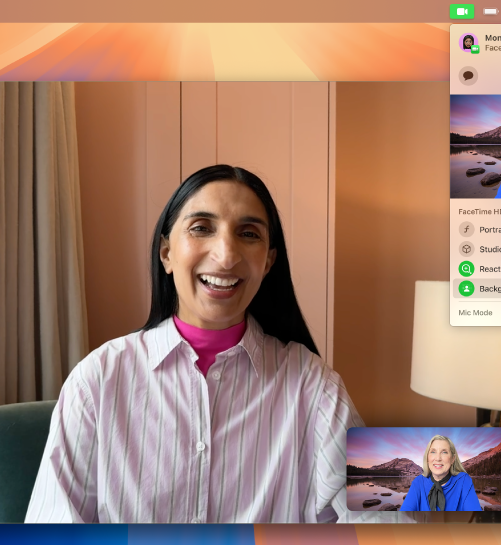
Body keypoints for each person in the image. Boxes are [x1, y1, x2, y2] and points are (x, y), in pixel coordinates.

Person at [25, 165, 372, 523]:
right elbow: (48, 539)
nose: (226, 255)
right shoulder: (95, 378)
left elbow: (391, 518)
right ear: (166, 253)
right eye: (201, 228)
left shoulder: (317, 382)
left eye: (249, 233)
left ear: (268, 262)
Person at [400, 435, 482, 512]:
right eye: (433, 452)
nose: (438, 458)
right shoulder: (418, 482)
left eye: (444, 452)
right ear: (427, 458)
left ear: (453, 459)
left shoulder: (463, 481)